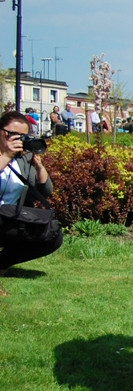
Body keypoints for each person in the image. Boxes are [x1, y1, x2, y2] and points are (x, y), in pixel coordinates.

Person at [0, 111, 62, 287]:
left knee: (53, 235)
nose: (18, 140)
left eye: (23, 136)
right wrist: (6, 156)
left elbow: (46, 191)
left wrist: (40, 167)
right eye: (12, 134)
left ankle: (1, 263)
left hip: (11, 218)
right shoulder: (7, 155)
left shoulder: (24, 158)